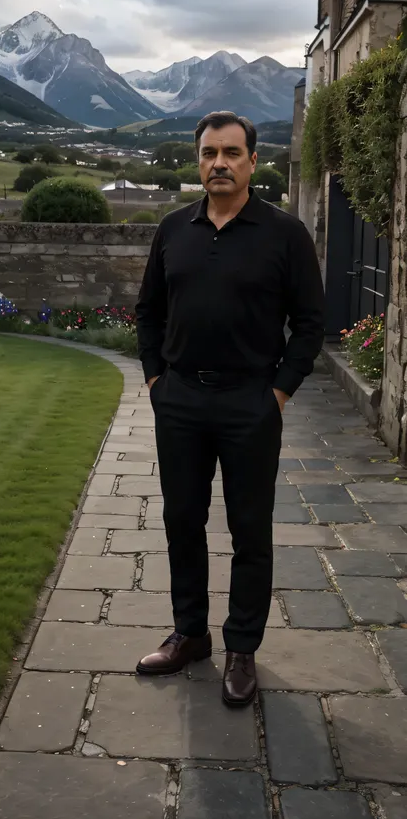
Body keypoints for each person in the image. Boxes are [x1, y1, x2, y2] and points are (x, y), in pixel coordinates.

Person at [135, 111, 324, 707]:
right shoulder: (173, 229)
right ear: (198, 160)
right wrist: (156, 381)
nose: (219, 163)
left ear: (251, 160)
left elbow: (311, 323)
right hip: (182, 399)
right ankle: (190, 635)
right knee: (181, 522)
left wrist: (279, 392)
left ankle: (242, 648)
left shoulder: (284, 233)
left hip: (250, 401)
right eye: (209, 153)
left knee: (250, 530)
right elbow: (148, 311)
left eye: (231, 153)